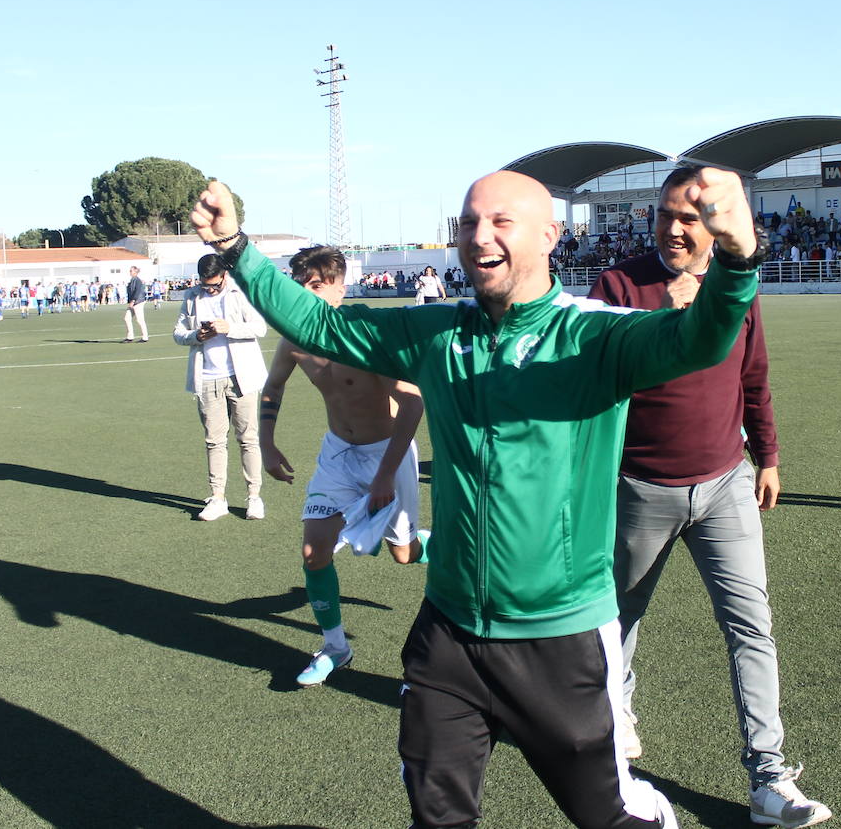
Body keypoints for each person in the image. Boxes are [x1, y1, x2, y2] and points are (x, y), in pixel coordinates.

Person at [193, 166, 766, 829]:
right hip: (449, 633)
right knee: (436, 816)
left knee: (608, 817)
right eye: (468, 222)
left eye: (500, 221)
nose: (478, 235)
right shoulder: (436, 332)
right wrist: (235, 246)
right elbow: (319, 325)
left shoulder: (596, 336)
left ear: (550, 235)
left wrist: (736, 258)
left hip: (561, 636)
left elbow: (701, 339)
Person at [588, 167, 831, 829]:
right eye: (664, 215)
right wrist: (661, 324)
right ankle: (615, 722)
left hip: (726, 486)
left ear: (714, 225)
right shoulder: (618, 286)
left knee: (751, 626)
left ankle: (768, 778)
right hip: (639, 489)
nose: (672, 229)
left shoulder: (736, 283)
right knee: (618, 620)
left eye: (687, 218)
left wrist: (768, 456)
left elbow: (754, 375)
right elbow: (594, 373)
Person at [259, 245, 428, 687]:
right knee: (313, 553)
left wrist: (385, 473)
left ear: (340, 287)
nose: (306, 293)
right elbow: (272, 387)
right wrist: (266, 444)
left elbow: (412, 403)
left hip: (387, 453)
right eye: (300, 285)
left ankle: (423, 542)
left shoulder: (366, 335)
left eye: (317, 284)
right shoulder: (294, 339)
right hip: (337, 454)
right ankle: (336, 647)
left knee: (403, 555)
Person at [173, 254, 269, 523]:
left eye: (215, 285)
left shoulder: (240, 292)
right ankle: (218, 498)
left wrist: (230, 328)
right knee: (214, 441)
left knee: (248, 439)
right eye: (205, 285)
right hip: (206, 378)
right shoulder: (192, 297)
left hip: (241, 377)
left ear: (225, 275)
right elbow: (178, 333)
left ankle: (254, 496)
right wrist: (196, 336)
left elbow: (260, 327)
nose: (210, 290)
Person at [123, 266, 149, 342]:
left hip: (138, 302)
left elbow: (137, 291)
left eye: (131, 271)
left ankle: (145, 337)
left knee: (140, 320)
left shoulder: (138, 280)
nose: (130, 272)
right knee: (127, 318)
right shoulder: (132, 280)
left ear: (135, 272)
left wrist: (133, 301)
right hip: (133, 302)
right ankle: (130, 336)